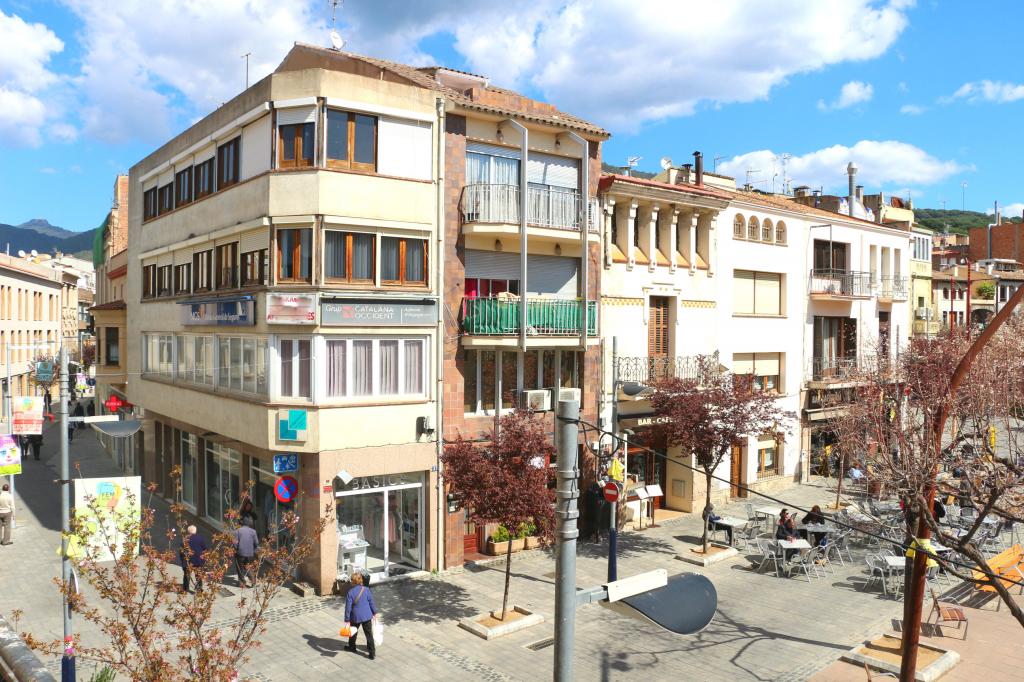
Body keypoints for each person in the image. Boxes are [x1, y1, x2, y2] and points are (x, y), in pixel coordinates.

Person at [344, 572, 378, 660]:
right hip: (367, 616)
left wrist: (347, 619)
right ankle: (372, 653)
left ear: (353, 582)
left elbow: (348, 608)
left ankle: (352, 647)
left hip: (355, 617)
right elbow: (371, 602)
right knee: (369, 634)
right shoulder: (366, 590)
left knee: (353, 632)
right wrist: (374, 612)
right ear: (361, 580)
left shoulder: (350, 593)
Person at [180, 525, 208, 592]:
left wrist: (182, 560)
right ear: (195, 531)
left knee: (187, 575)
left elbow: (181, 551)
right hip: (198, 560)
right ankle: (199, 588)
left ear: (188, 531)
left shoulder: (185, 539)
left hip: (188, 561)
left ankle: (185, 589)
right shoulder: (200, 538)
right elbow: (204, 549)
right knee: (198, 575)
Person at [234, 517, 259, 587]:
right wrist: (253, 549)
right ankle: (253, 581)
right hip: (250, 553)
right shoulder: (253, 531)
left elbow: (235, 543)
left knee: (240, 568)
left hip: (240, 553)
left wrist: (236, 550)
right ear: (248, 524)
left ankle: (242, 583)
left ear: (242, 523)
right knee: (248, 567)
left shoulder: (237, 531)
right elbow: (256, 543)